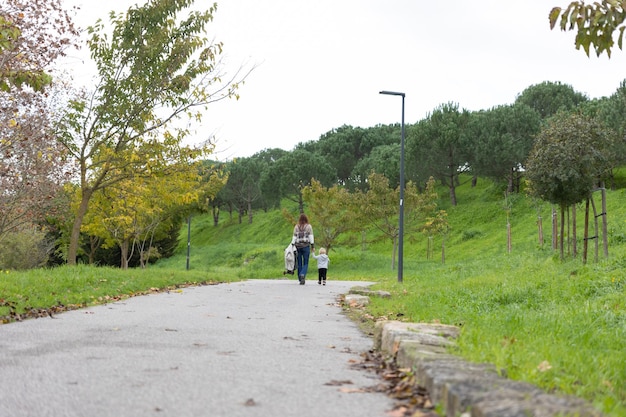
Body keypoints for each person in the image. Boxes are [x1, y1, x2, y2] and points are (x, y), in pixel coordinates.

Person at [291, 213, 314, 285]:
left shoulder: (296, 227)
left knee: (299, 262)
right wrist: (312, 246)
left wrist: (292, 245)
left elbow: (294, 237)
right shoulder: (309, 226)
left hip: (297, 246)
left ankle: (300, 278)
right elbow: (311, 236)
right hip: (306, 246)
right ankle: (303, 274)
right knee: (306, 262)